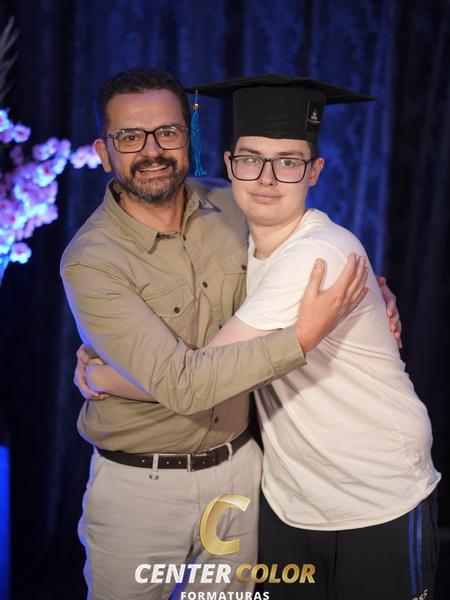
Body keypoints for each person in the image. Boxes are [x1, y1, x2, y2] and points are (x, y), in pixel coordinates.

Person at [82, 74, 438, 600]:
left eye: (288, 163)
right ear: (230, 165)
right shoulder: (203, 220)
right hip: (272, 493)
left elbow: (195, 379)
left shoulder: (286, 239)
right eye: (251, 160)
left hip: (363, 487)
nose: (267, 179)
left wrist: (104, 377)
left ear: (314, 171)